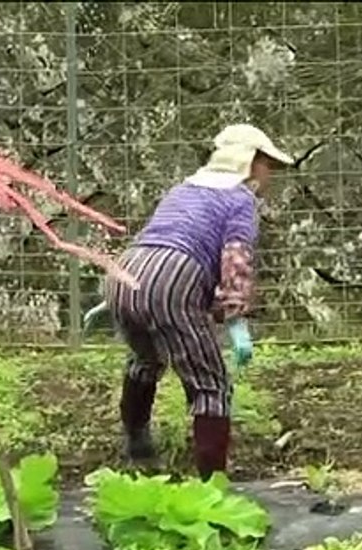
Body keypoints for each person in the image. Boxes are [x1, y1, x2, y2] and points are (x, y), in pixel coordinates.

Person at [105, 123, 293, 479]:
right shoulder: (240, 199)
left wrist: (122, 297)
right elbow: (235, 260)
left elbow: (156, 237)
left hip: (125, 272)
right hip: (173, 278)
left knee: (145, 359)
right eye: (268, 165)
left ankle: (138, 451)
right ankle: (212, 483)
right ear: (251, 162)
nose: (269, 175)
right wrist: (236, 318)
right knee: (211, 385)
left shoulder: (183, 189)